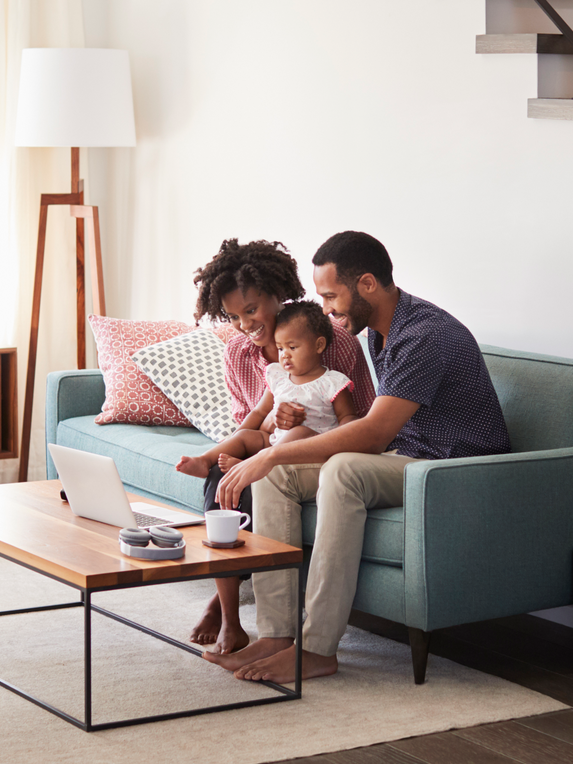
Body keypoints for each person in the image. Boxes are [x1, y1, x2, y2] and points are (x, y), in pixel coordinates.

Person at [206, 231, 512, 683]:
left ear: (366, 283)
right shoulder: (382, 334)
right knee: (276, 476)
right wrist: (273, 454)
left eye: (331, 296)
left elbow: (371, 434)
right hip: (409, 457)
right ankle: (277, 635)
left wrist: (268, 456)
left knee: (341, 469)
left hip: (453, 468)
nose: (326, 309)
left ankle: (317, 650)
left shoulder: (424, 334)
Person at [185, 239, 376, 654]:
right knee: (223, 475)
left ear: (277, 294)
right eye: (234, 316)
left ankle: (224, 601)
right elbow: (249, 422)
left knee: (258, 475)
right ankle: (231, 620)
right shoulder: (237, 351)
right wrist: (273, 423)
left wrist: (292, 429)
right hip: (267, 442)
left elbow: (357, 419)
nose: (244, 325)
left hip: (319, 447)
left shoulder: (332, 341)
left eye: (252, 311)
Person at [176, 301, 358, 478]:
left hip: (312, 447)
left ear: (319, 345)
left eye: (292, 347)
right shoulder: (278, 376)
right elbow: (259, 411)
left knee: (300, 432)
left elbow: (347, 418)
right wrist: (238, 437)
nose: (284, 354)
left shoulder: (332, 382)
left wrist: (340, 444)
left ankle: (251, 465)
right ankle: (204, 460)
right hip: (275, 442)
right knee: (247, 435)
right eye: (280, 348)